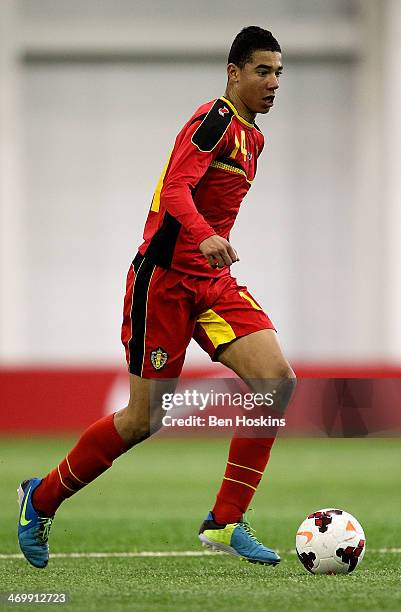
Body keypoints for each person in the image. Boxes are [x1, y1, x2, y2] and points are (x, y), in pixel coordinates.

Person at [17, 25, 296, 569]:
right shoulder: (213, 120)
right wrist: (205, 236)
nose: (273, 83)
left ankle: (224, 521)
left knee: (277, 382)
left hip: (210, 283)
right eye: (262, 71)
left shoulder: (254, 137)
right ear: (234, 73)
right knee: (144, 419)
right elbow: (174, 189)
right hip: (163, 281)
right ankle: (41, 498)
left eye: (278, 73)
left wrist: (210, 247)